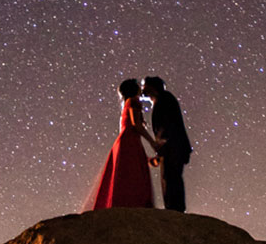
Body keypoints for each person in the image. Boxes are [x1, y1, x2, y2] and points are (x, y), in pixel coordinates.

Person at [82, 78, 156, 211]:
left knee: (124, 175)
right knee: (133, 174)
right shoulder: (134, 101)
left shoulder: (126, 104)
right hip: (130, 141)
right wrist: (152, 143)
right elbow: (136, 125)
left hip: (123, 142)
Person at [144, 75, 193, 213]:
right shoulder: (164, 99)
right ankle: (175, 209)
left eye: (146, 87)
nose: (143, 91)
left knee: (171, 178)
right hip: (172, 147)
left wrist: (162, 145)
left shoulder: (165, 100)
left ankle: (175, 211)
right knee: (171, 178)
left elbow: (168, 125)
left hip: (173, 147)